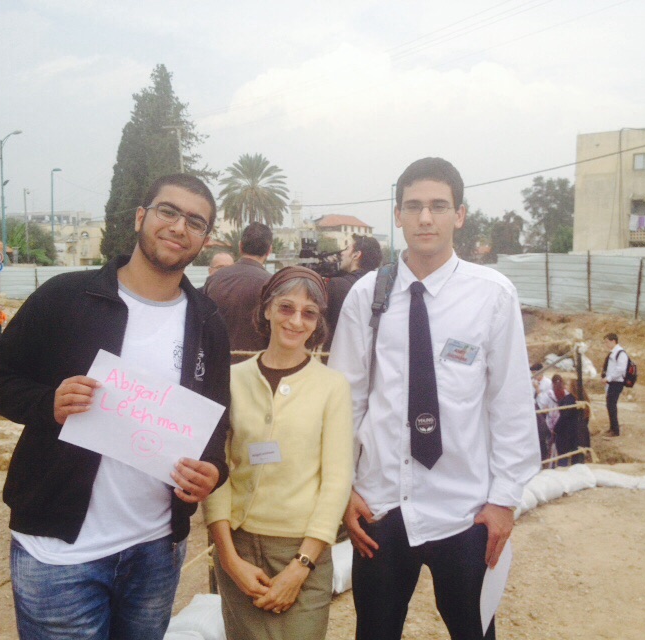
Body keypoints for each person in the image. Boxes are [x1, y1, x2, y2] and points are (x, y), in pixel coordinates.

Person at [0, 173, 232, 639]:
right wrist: (47, 403)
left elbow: (216, 425)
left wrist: (213, 470)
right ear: (141, 216)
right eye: (168, 212)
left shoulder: (208, 322)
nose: (179, 227)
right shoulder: (66, 297)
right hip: (59, 555)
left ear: (204, 238)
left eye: (195, 221)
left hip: (155, 551)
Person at [329, 157, 541, 640]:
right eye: (414, 206)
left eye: (439, 206)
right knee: (375, 631)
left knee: (474, 631)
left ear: (459, 215)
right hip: (381, 507)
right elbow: (345, 400)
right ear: (398, 215)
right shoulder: (368, 296)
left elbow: (509, 403)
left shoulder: (493, 296)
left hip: (465, 510)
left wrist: (504, 500)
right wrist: (346, 489)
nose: (426, 218)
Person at [204, 266, 353, 640]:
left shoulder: (332, 387)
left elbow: (336, 481)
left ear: (318, 322)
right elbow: (218, 469)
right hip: (238, 549)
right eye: (286, 308)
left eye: (308, 313)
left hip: (301, 552)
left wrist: (301, 566)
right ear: (267, 309)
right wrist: (228, 556)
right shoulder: (233, 380)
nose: (296, 321)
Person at [205, 222, 274, 361]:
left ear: (240, 246)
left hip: (215, 364)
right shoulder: (273, 285)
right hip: (255, 368)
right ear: (269, 251)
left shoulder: (214, 280)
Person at [324, 234, 383, 350]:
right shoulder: (382, 286)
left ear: (356, 255)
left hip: (339, 356)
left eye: (347, 249)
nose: (342, 253)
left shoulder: (337, 285)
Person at [601, 333, 627, 437]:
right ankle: (612, 427)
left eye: (607, 342)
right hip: (612, 382)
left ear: (613, 341)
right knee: (609, 404)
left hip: (617, 382)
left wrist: (609, 378)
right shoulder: (613, 353)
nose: (606, 344)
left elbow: (620, 369)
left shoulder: (620, 353)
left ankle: (615, 430)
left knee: (611, 405)